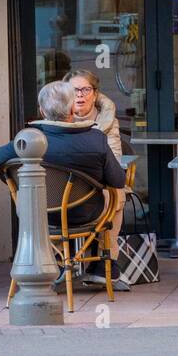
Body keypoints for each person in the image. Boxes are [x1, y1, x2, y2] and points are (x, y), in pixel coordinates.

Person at [0, 80, 129, 291]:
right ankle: (104, 263)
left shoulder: (28, 140)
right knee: (117, 194)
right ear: (72, 110)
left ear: (42, 111)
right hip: (86, 213)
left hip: (38, 214)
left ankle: (59, 262)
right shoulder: (96, 140)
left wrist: (15, 181)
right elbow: (118, 181)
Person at [62, 68, 130, 274]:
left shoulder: (107, 121)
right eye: (75, 91)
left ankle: (106, 258)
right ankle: (58, 259)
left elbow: (115, 160)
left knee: (116, 192)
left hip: (99, 183)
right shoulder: (58, 118)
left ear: (95, 93)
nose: (80, 95)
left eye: (85, 89)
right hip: (64, 185)